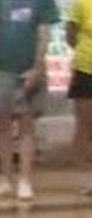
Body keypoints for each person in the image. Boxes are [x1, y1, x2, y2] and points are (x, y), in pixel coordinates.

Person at [0, 0, 59, 200]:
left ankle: (25, 180)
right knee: (3, 126)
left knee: (27, 125)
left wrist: (37, 67)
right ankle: (5, 179)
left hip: (28, 69)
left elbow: (44, 35)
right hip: (1, 69)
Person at [67, 0, 92, 195]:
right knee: (84, 124)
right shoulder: (83, 3)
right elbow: (70, 34)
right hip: (86, 70)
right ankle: (85, 177)